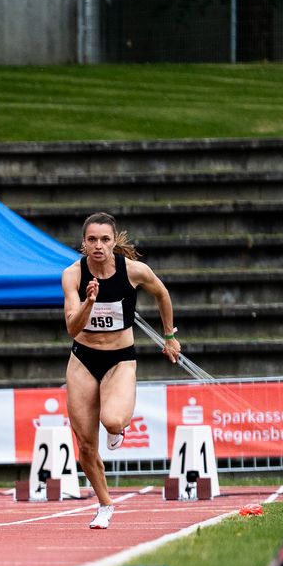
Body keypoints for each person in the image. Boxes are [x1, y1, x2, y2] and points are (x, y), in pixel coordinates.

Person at [61, 212, 179, 530]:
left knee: (112, 421)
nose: (98, 246)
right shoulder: (72, 275)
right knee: (85, 443)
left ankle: (118, 429)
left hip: (120, 358)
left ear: (114, 242)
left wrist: (169, 336)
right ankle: (105, 504)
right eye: (91, 240)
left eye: (104, 239)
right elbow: (72, 328)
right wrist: (89, 302)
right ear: (83, 243)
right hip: (83, 358)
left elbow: (162, 294)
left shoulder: (134, 271)